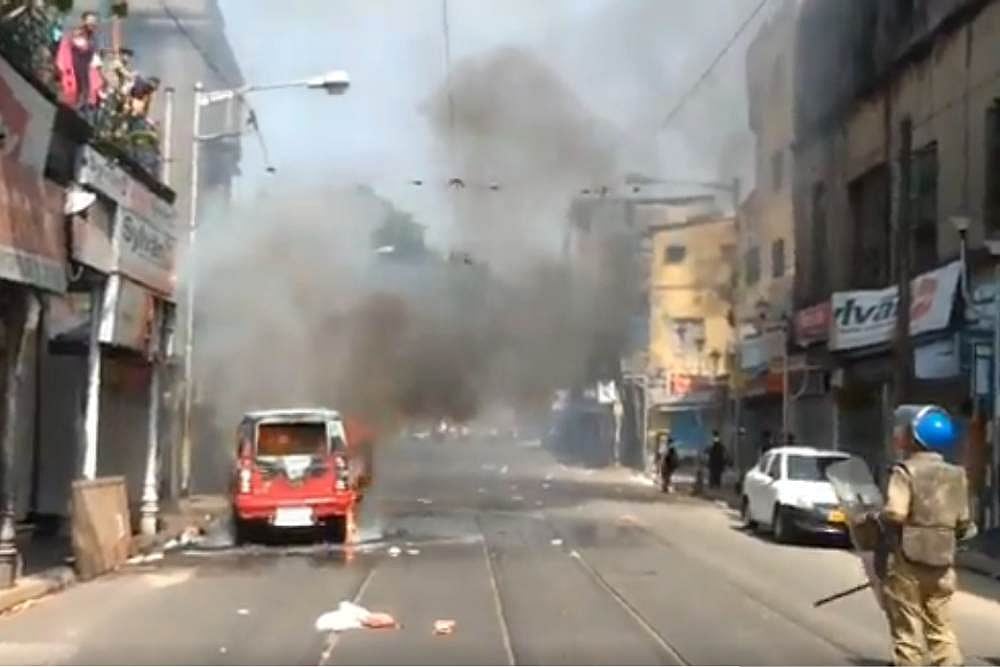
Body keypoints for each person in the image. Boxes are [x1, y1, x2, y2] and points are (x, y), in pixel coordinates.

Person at [873, 405, 976, 666]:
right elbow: (963, 522)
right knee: (940, 627)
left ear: (914, 437)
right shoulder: (957, 475)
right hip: (942, 562)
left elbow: (896, 513)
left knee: (906, 628)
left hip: (908, 561)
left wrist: (876, 517)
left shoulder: (905, 471)